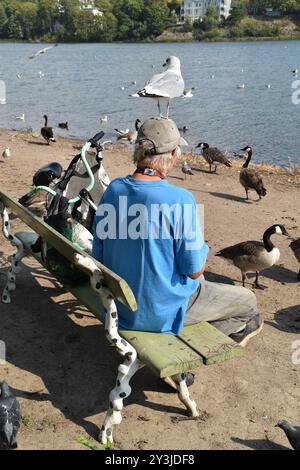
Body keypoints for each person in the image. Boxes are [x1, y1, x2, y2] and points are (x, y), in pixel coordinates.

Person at [92, 117, 263, 346]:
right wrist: (201, 250)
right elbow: (193, 270)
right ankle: (191, 350)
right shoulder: (181, 200)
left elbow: (99, 254)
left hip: (120, 305)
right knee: (249, 303)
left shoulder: (113, 189)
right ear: (173, 156)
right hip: (159, 312)